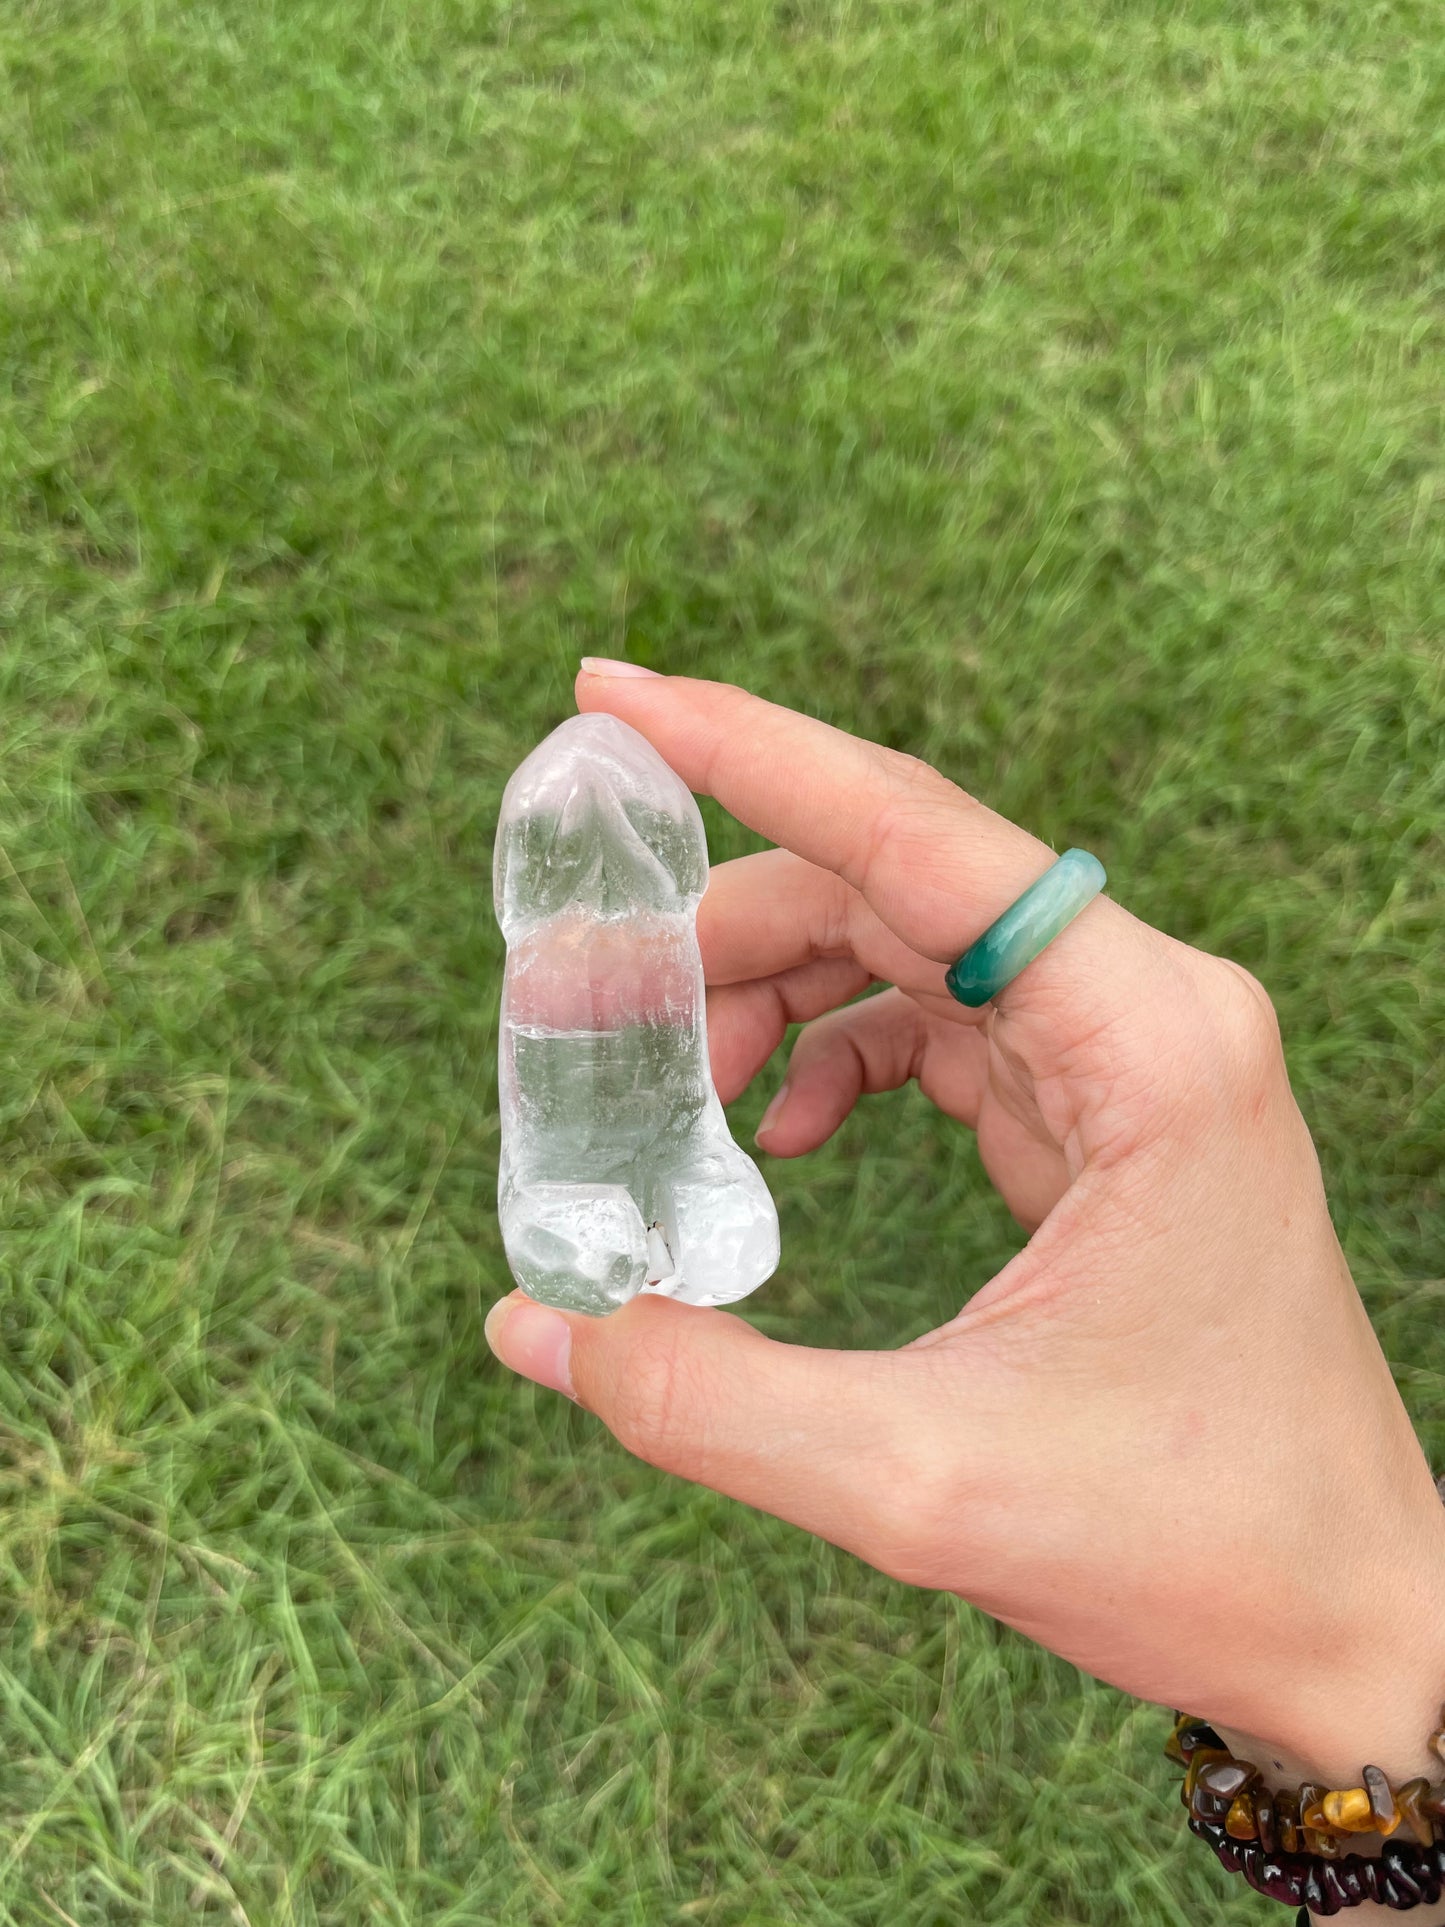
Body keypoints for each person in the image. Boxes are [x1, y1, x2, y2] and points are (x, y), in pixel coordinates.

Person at [486, 663, 1445, 1923]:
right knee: (586, 1193)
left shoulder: (663, 949)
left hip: (674, 1121)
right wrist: (1373, 1655)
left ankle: (662, 1196)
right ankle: (589, 1219)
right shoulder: (556, 966)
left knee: (696, 1165)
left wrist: (1371, 1655)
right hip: (568, 1147)